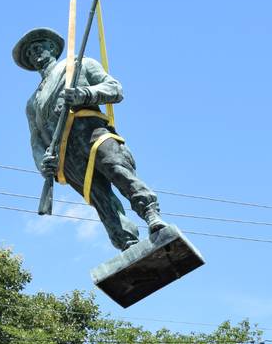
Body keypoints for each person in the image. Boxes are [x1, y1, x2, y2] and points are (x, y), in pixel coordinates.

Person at [12, 27, 172, 251]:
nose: (34, 55)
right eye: (29, 54)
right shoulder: (32, 103)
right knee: (100, 199)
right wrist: (43, 163)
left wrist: (84, 94)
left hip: (91, 133)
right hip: (68, 157)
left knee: (119, 170)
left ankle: (150, 214)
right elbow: (36, 140)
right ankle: (127, 243)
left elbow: (115, 89)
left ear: (52, 48)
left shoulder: (78, 65)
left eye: (37, 48)